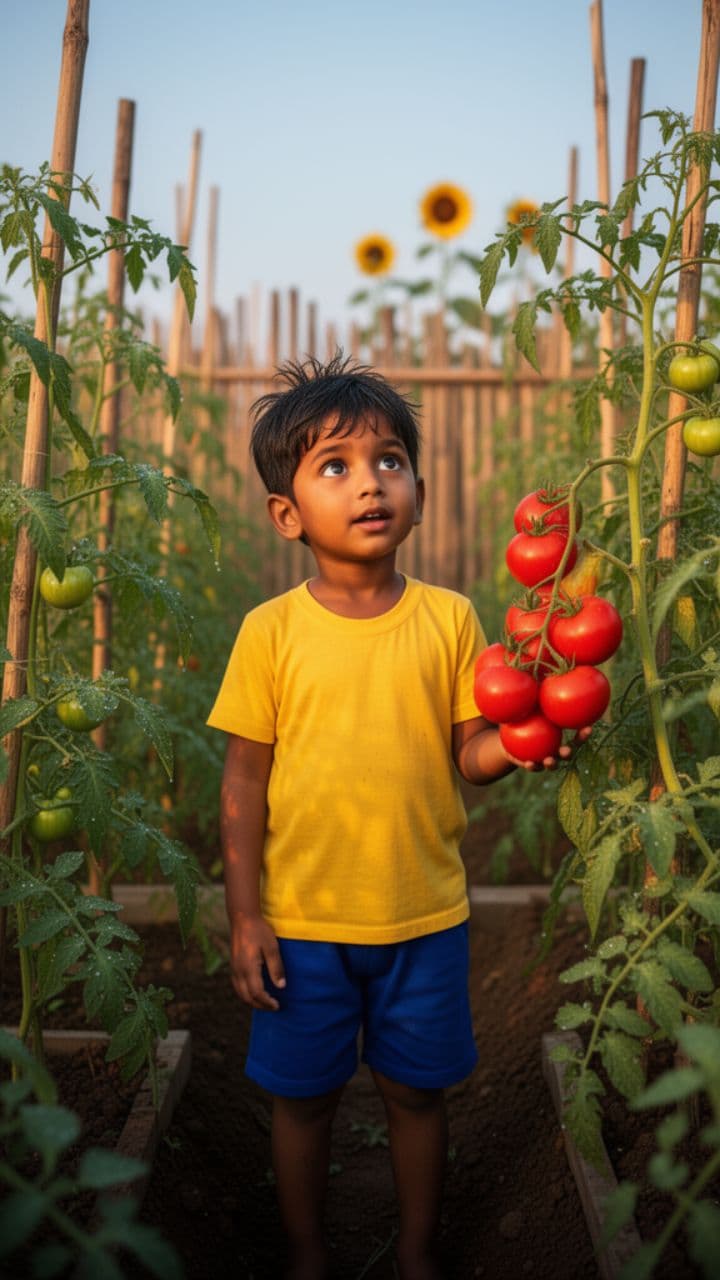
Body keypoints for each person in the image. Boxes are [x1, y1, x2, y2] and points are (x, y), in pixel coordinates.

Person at [207, 353, 581, 1280]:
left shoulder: (451, 620)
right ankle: (305, 1253)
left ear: (417, 487)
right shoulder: (270, 633)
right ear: (287, 515)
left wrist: (530, 734)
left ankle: (416, 1253)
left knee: (418, 1095)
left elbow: (470, 755)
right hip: (302, 925)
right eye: (334, 466)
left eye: (389, 460)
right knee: (304, 1103)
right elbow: (242, 786)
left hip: (425, 918)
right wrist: (245, 915)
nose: (369, 481)